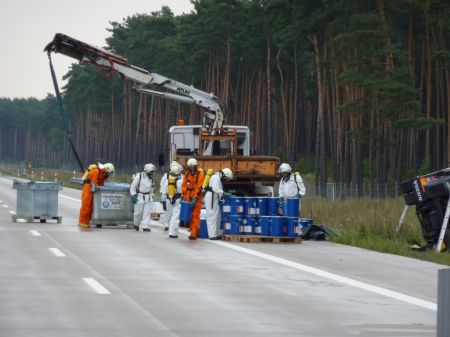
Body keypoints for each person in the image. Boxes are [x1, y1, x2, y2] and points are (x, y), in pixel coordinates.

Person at [78, 162, 115, 228]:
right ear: (106, 169)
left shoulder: (102, 174)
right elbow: (94, 183)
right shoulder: (96, 171)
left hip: (92, 189)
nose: (107, 175)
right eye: (108, 173)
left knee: (90, 207)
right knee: (86, 206)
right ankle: (82, 222)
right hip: (88, 188)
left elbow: (100, 184)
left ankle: (87, 221)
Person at [204, 168, 233, 240]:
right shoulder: (215, 178)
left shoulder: (218, 178)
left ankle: (216, 234)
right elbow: (216, 189)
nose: (226, 180)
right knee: (212, 216)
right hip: (211, 198)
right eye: (226, 178)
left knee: (217, 216)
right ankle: (212, 235)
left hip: (214, 198)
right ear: (223, 175)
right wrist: (225, 193)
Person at [181, 158, 205, 240]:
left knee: (195, 215)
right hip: (188, 197)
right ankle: (193, 230)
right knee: (188, 215)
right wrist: (182, 195)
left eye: (193, 167)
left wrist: (195, 198)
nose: (191, 169)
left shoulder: (200, 174)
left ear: (195, 167)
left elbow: (199, 187)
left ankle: (194, 233)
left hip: (196, 198)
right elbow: (184, 185)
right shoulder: (187, 174)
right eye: (190, 167)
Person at [130, 163, 155, 232]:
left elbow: (152, 188)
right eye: (151, 171)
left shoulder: (152, 178)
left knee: (147, 212)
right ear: (147, 171)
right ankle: (136, 224)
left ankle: (145, 226)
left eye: (153, 172)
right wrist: (133, 195)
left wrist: (152, 196)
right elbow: (133, 186)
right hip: (140, 196)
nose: (152, 173)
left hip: (148, 197)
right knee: (138, 212)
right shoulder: (139, 176)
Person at [160, 161, 183, 232]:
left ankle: (169, 226)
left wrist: (163, 200)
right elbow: (183, 190)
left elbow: (163, 189)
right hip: (177, 199)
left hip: (168, 198)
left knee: (168, 212)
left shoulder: (168, 180)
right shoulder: (181, 179)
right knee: (174, 214)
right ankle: (170, 228)